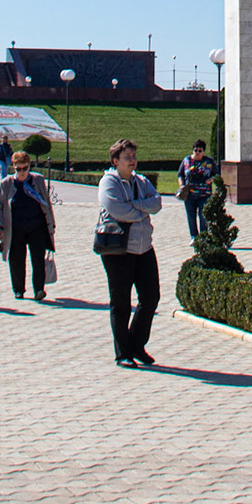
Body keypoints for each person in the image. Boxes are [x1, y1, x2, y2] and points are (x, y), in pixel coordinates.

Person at [96, 138, 164, 368]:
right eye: (127, 157)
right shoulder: (109, 182)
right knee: (121, 302)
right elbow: (116, 209)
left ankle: (136, 344)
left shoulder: (141, 181)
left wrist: (136, 206)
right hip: (118, 250)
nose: (132, 161)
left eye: (134, 156)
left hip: (143, 247)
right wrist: (140, 211)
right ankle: (122, 353)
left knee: (150, 297)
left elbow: (156, 203)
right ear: (116, 161)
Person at [0, 151, 57, 301]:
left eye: (25, 168)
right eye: (18, 169)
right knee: (16, 260)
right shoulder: (7, 184)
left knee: (38, 259)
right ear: (13, 167)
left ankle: (39, 290)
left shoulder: (38, 180)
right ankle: (18, 289)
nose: (22, 172)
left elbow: (46, 203)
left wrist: (52, 224)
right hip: (16, 228)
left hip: (37, 226)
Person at [177, 140, 216, 239]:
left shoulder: (209, 161)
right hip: (189, 194)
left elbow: (216, 174)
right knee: (191, 216)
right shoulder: (187, 160)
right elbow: (180, 174)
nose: (197, 153)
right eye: (196, 150)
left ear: (204, 151)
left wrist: (211, 179)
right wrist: (182, 185)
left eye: (200, 151)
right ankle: (194, 236)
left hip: (204, 194)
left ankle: (203, 236)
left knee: (203, 216)